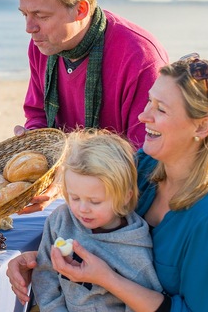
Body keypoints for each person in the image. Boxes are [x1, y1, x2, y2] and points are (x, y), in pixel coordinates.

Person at [8, 55, 208, 312]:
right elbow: (94, 237)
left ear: (202, 127)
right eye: (149, 102)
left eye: (160, 109)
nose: (143, 116)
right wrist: (38, 261)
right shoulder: (141, 167)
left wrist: (107, 279)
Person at [13, 0, 168, 149]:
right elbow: (37, 114)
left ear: (81, 10)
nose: (29, 28)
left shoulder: (140, 56)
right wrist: (34, 138)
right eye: (24, 14)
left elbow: (148, 152)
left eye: (41, 16)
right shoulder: (42, 45)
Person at [32, 129, 162, 311]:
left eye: (95, 201)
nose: (82, 208)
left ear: (125, 196)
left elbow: (138, 305)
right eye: (74, 197)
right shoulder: (61, 220)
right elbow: (45, 273)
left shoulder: (135, 251)